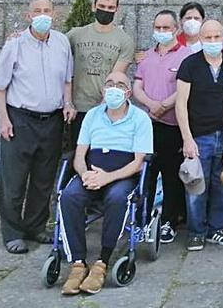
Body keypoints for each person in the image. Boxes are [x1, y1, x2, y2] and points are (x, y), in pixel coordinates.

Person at [0, 0, 76, 254]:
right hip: (21, 119)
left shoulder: (61, 42)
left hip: (51, 120)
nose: (42, 15)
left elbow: (68, 79)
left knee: (43, 179)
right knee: (14, 180)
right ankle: (13, 232)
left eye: (47, 10)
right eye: (37, 11)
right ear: (28, 16)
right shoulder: (15, 44)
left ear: (55, 14)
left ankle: (35, 227)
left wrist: (68, 103)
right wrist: (4, 120)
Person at [58, 72, 153, 296]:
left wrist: (107, 178)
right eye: (110, 84)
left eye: (120, 85)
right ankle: (78, 263)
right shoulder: (92, 115)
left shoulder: (140, 119)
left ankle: (102, 262)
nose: (114, 88)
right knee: (68, 196)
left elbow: (139, 163)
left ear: (128, 92)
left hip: (122, 175)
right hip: (91, 172)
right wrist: (84, 175)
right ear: (103, 90)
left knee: (117, 198)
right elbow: (80, 155)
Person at [175, 20, 223, 251]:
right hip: (199, 136)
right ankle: (196, 232)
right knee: (196, 186)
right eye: (208, 37)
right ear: (200, 39)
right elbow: (180, 104)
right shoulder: (189, 65)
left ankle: (217, 229)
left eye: (217, 37)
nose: (213, 41)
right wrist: (187, 138)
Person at [132, 10, 193, 244]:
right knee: (147, 175)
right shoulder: (147, 56)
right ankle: (143, 220)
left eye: (166, 27)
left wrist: (165, 105)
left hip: (172, 126)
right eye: (158, 27)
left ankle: (168, 221)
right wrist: (150, 104)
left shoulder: (186, 56)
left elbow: (185, 89)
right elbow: (137, 85)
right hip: (148, 126)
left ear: (176, 29)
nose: (162, 31)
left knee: (171, 177)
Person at [67, 0, 135, 149]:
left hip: (106, 109)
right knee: (77, 155)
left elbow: (116, 77)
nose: (106, 10)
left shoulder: (124, 40)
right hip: (78, 108)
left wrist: (102, 110)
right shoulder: (75, 34)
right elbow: (52, 46)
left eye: (111, 7)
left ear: (117, 9)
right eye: (102, 6)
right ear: (93, 6)